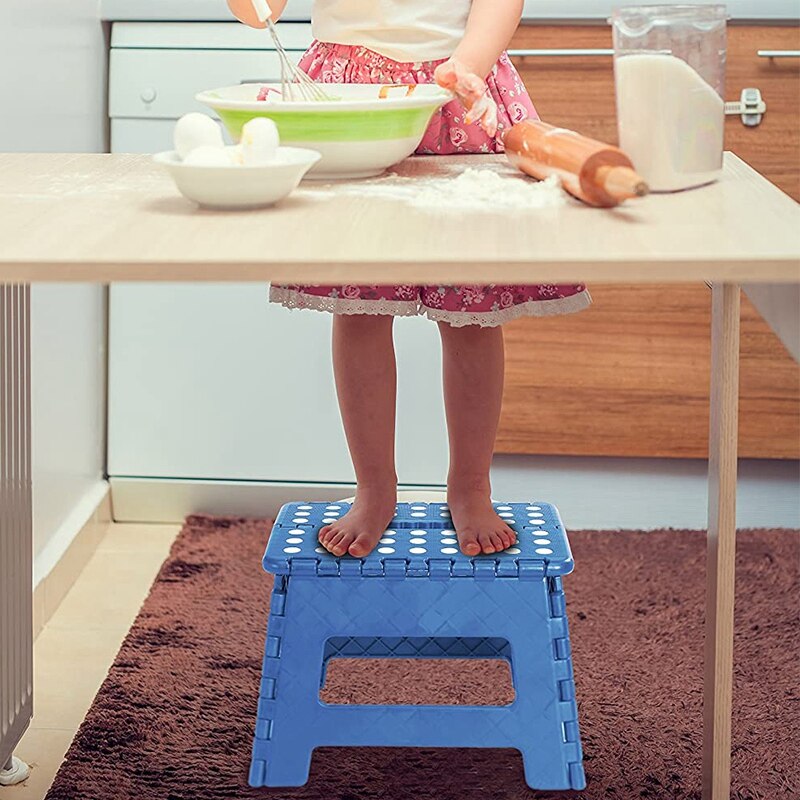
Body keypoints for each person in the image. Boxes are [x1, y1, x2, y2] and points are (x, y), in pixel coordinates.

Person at [228, 0, 591, 557]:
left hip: (455, 96)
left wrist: (465, 65)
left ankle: (470, 486)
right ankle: (375, 490)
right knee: (361, 308)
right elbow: (260, 14)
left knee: (471, 314)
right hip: (349, 104)